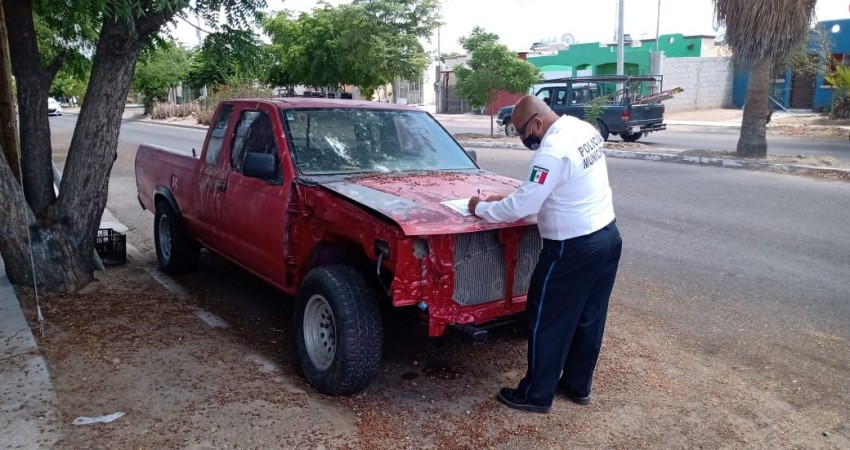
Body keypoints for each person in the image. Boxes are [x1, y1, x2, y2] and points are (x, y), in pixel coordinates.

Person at [468, 95, 622, 414]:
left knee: (546, 319)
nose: (524, 139)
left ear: (538, 121)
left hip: (572, 247)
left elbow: (523, 206)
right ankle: (577, 385)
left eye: (523, 132)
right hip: (607, 237)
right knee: (589, 316)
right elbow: (558, 186)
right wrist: (510, 194)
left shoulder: (551, 151)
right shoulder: (581, 129)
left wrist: (480, 207)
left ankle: (536, 394)